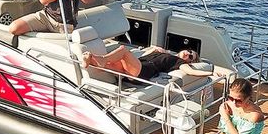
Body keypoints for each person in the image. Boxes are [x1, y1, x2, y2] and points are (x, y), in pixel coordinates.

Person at [82, 46, 222, 81]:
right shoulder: (165, 52)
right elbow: (143, 54)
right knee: (110, 65)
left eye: (191, 57)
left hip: (144, 70)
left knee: (123, 51)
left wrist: (211, 73)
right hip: (138, 66)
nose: (188, 54)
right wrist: (155, 49)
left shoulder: (178, 62)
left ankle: (99, 58)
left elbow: (191, 71)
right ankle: (94, 61)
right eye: (190, 51)